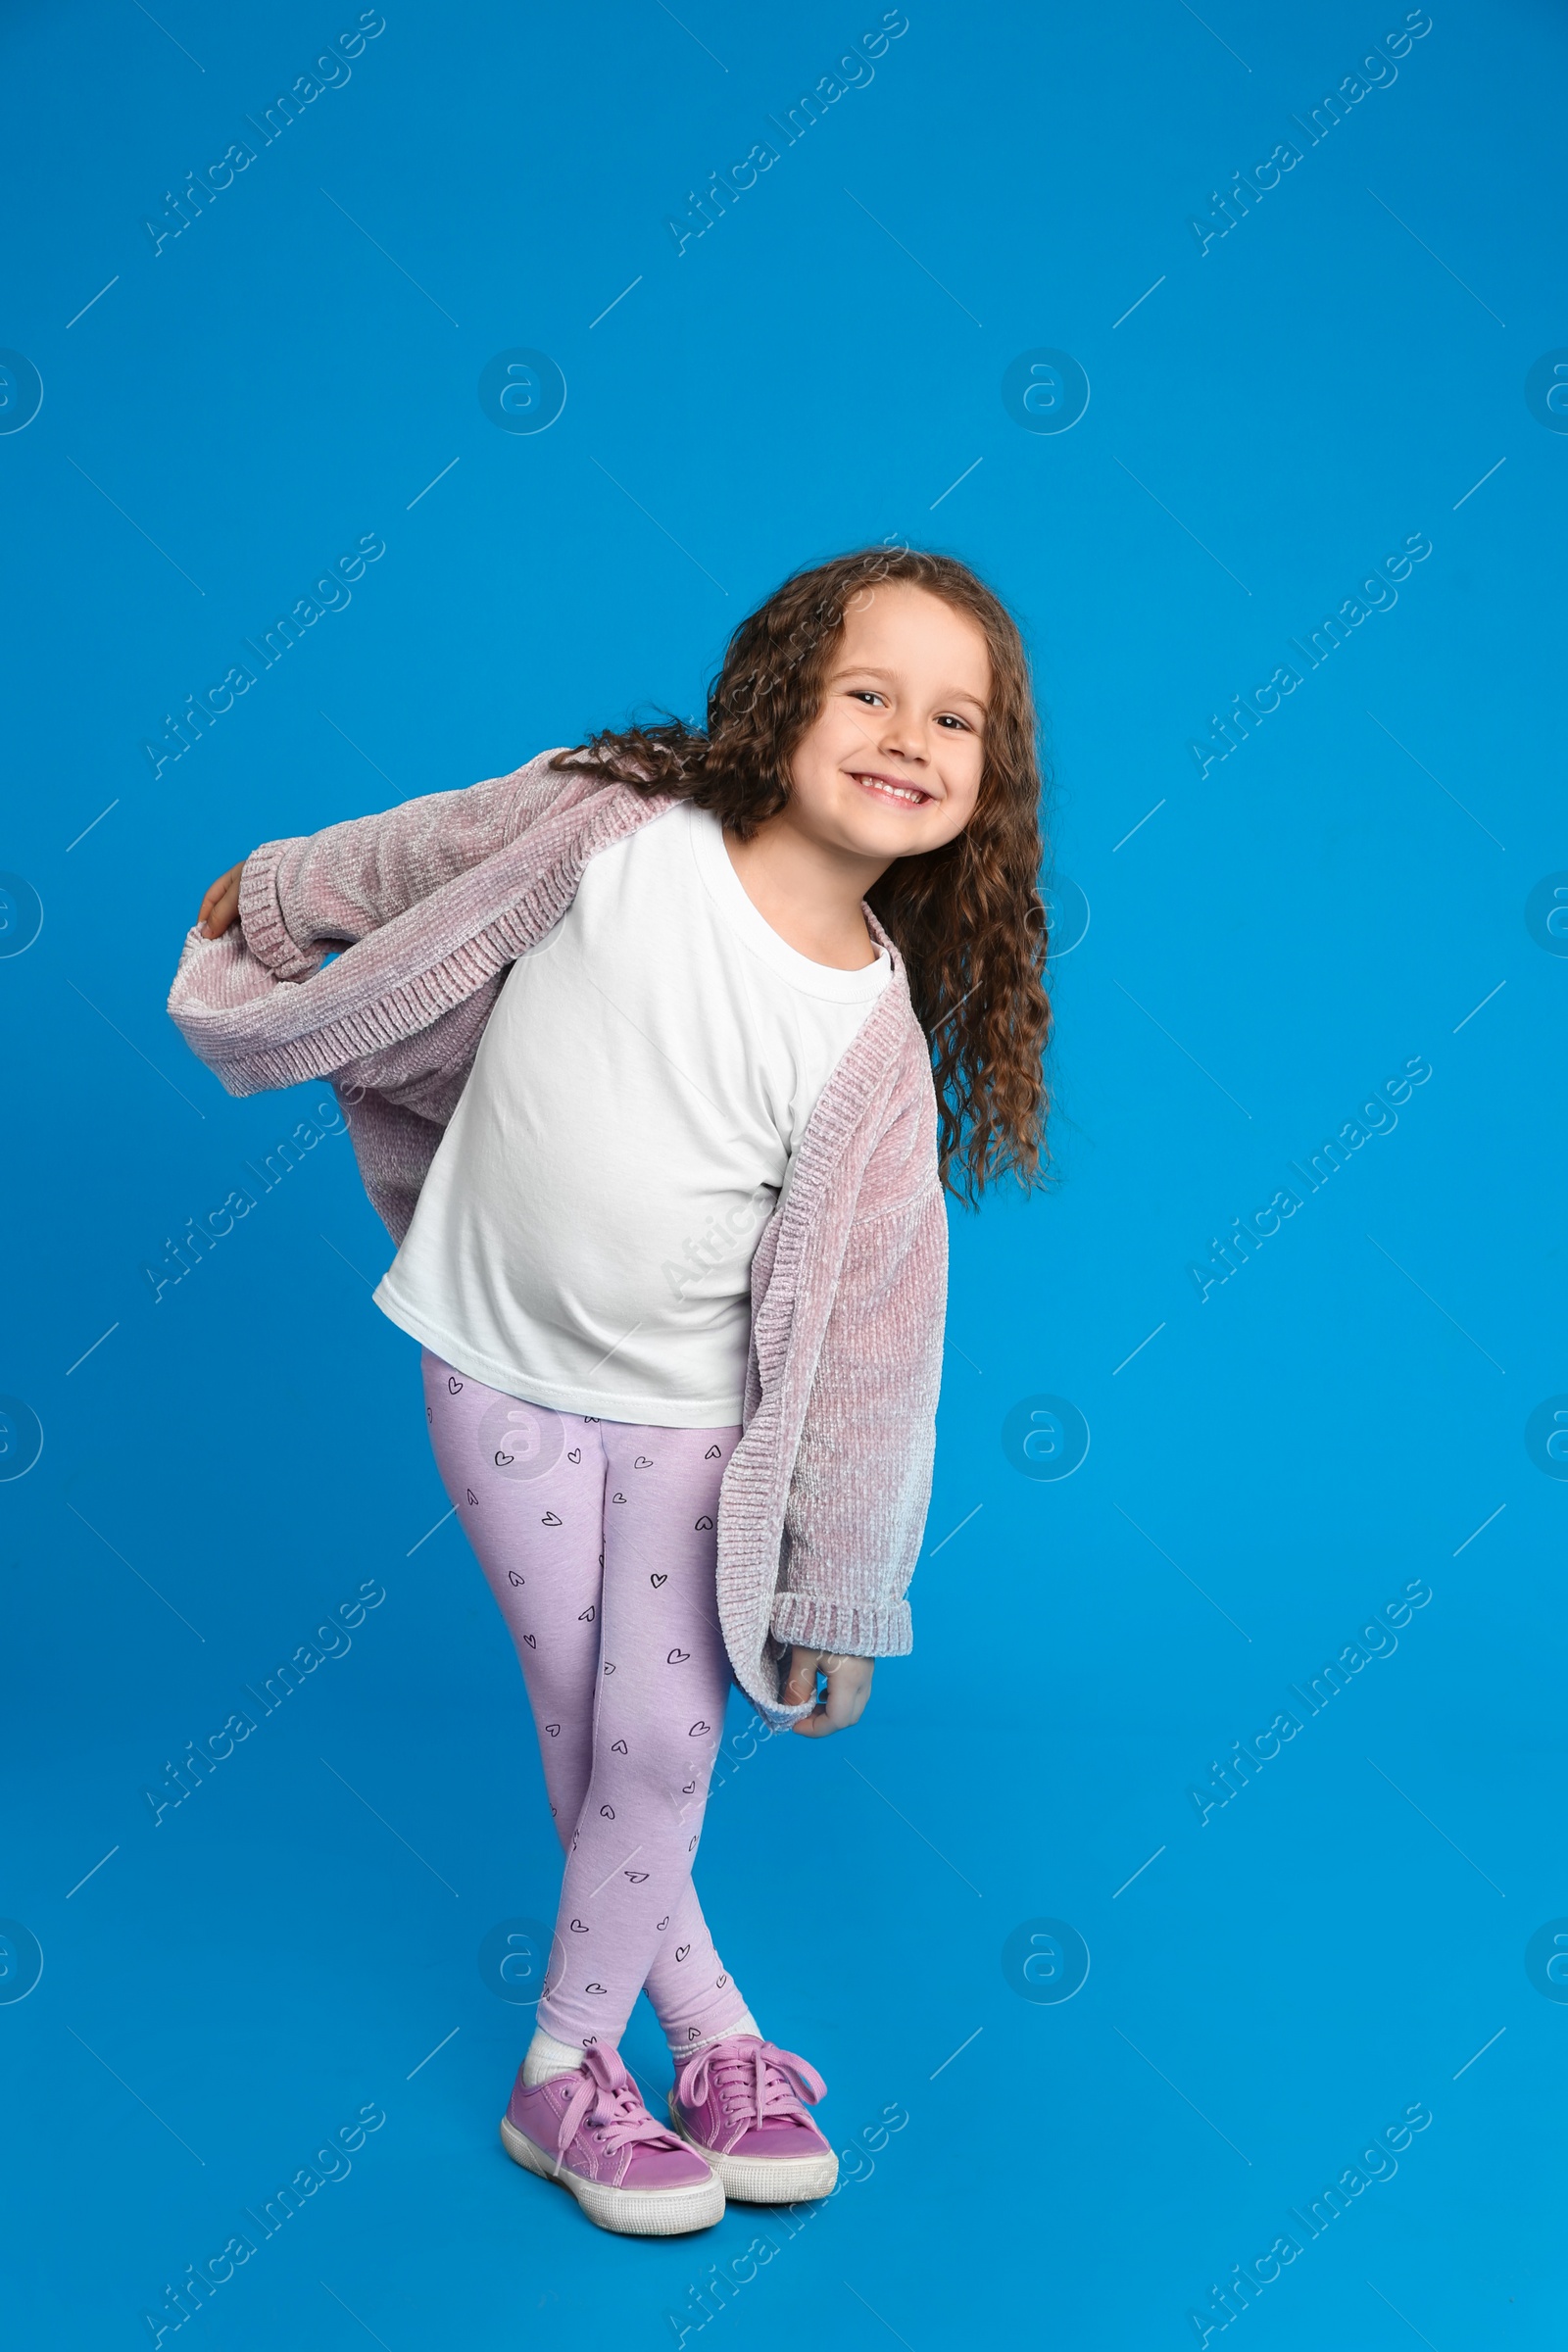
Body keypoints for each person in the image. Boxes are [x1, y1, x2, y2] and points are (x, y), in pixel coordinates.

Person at [172, 545, 1052, 2237]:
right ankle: (627, 2064)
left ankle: (593, 2050)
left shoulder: (872, 1031)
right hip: (494, 1368)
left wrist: (842, 1589)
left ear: (987, 784)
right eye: (869, 692)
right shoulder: (615, 827)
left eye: (956, 721)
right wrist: (276, 896)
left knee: (650, 1734)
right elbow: (421, 846)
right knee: (611, 1728)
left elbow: (878, 1345)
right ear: (784, 696)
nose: (905, 738)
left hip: (696, 1421)